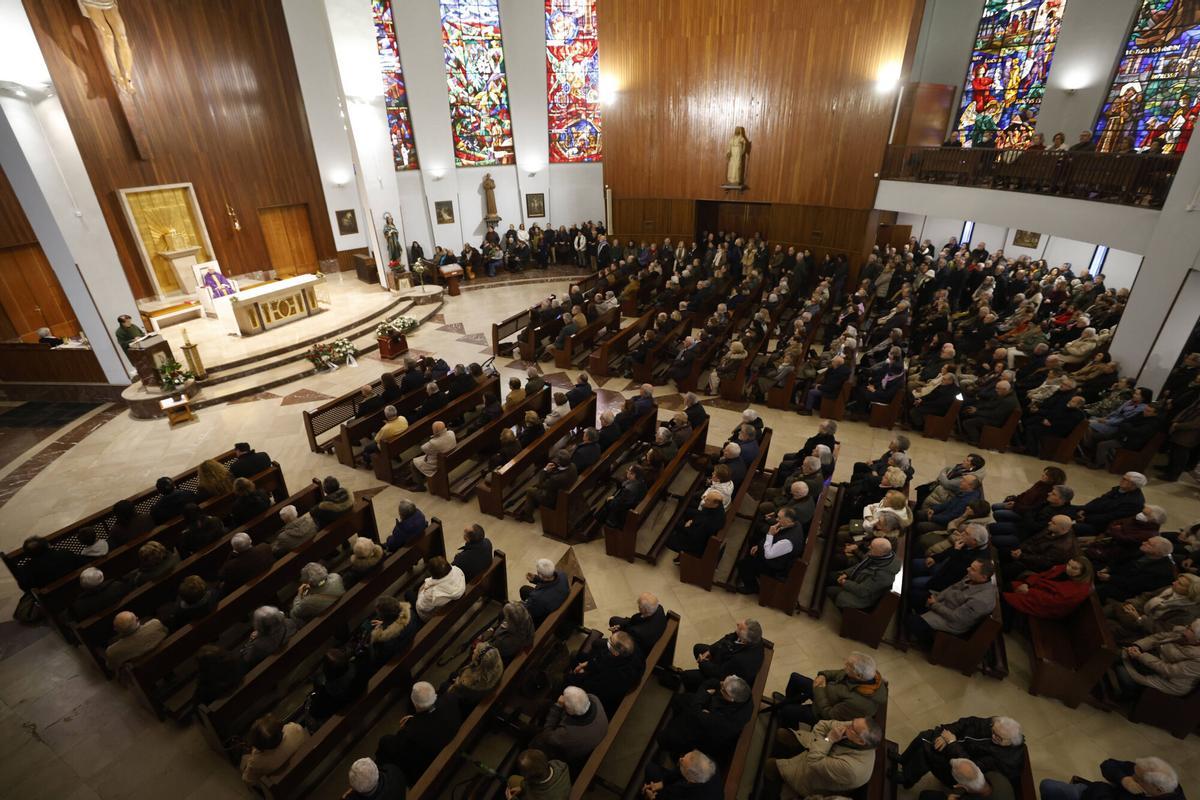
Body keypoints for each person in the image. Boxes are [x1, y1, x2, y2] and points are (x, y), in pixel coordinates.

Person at [891, 716, 1025, 790]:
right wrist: (946, 734)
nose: (993, 736)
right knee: (925, 735)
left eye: (999, 738)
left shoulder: (1003, 759)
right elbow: (968, 722)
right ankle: (904, 759)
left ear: (1010, 742)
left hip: (963, 776)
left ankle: (907, 779)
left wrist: (952, 743)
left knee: (927, 753)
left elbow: (972, 769)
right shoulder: (996, 725)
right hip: (956, 746)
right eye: (993, 732)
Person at [765, 717, 882, 800]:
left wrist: (829, 739)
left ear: (860, 741)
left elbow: (813, 762)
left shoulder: (852, 769)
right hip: (819, 750)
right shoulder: (855, 728)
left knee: (769, 766)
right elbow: (824, 724)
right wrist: (821, 743)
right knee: (781, 734)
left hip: (811, 779)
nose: (847, 725)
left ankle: (769, 790)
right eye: (852, 722)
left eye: (852, 727)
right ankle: (785, 756)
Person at [376, 682, 462, 786]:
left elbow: (403, 745)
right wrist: (414, 720)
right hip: (448, 734)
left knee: (385, 741)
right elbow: (431, 718)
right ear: (435, 694)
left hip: (429, 758)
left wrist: (409, 725)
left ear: (415, 704)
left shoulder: (411, 732)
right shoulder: (450, 699)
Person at [906, 560, 997, 646]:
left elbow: (956, 618)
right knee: (913, 594)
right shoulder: (971, 577)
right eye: (970, 566)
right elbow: (952, 588)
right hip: (943, 603)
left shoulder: (981, 600)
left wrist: (934, 605)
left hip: (950, 622)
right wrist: (937, 599)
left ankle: (931, 644)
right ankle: (921, 615)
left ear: (983, 577)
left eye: (973, 569)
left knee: (910, 621)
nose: (968, 569)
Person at [658, 675, 752, 759]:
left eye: (723, 689)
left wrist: (705, 694)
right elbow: (711, 682)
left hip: (708, 737)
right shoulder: (745, 696)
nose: (720, 684)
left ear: (731, 699)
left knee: (670, 736)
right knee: (682, 700)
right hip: (707, 715)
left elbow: (696, 712)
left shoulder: (724, 720)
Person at [1115, 618, 1200, 699]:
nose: (1185, 630)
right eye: (1189, 626)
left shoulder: (1197, 661)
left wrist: (1140, 656)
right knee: (1118, 655)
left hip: (1167, 680)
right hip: (1152, 660)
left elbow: (1168, 670)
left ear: (1198, 641)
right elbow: (1157, 637)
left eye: (1191, 630)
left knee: (1121, 671)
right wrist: (1138, 646)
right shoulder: (1182, 632)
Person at [1103, 574, 1200, 644]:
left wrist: (1139, 619)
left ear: (1189, 591)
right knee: (1112, 608)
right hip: (1139, 613)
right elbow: (1146, 596)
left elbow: (1163, 630)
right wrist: (1131, 604)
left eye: (1180, 583)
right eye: (1177, 580)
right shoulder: (1170, 589)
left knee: (1110, 626)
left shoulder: (1187, 613)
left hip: (1145, 629)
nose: (1174, 582)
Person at [565, 631, 644, 716]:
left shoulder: (614, 676)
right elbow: (604, 660)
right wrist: (588, 664)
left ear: (615, 653)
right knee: (578, 655)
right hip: (604, 670)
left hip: (603, 693)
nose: (607, 641)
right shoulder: (634, 651)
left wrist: (580, 675)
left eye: (610, 642)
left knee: (567, 679)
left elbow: (591, 686)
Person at [531, 686, 609, 766]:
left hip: (572, 753)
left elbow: (547, 734)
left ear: (569, 711)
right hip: (596, 732)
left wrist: (557, 707)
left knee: (537, 739)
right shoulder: (594, 699)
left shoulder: (566, 734)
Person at [1039, 757, 1182, 800]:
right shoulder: (1144, 771)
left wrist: (1102, 789)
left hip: (1099, 794)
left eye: (1138, 779)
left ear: (1158, 789)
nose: (1133, 777)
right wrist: (1123, 779)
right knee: (1048, 786)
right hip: (1091, 793)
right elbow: (1107, 765)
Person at [681, 618, 765, 691]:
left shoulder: (740, 660)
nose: (737, 623)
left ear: (744, 641)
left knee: (687, 676)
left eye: (739, 628)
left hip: (725, 680)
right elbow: (728, 638)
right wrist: (710, 650)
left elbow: (719, 674)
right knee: (698, 648)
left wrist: (702, 662)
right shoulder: (753, 639)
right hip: (726, 660)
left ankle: (695, 690)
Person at [735, 506, 805, 594]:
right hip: (776, 556)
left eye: (779, 518)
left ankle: (752, 587)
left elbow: (768, 555)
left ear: (788, 521)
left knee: (743, 564)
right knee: (753, 542)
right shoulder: (794, 523)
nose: (776, 519)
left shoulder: (787, 542)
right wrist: (759, 546)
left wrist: (770, 534)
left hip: (776, 567)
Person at [1003, 557, 1094, 621]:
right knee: (1010, 585)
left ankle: (1003, 625)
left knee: (1006, 599)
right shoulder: (1064, 569)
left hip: (1045, 606)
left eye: (1074, 568)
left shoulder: (1077, 590)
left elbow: (1052, 601)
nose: (1068, 568)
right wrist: (1027, 583)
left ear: (1082, 573)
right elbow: (1042, 574)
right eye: (1069, 564)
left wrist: (1029, 591)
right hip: (1036, 589)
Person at [1096, 536, 1177, 603]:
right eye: (1147, 541)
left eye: (1149, 544)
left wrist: (1110, 578)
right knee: (1093, 569)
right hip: (1121, 575)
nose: (1143, 543)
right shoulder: (1143, 550)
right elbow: (1121, 559)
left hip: (1129, 590)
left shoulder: (1161, 571)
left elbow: (1134, 585)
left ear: (1158, 552)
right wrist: (1108, 568)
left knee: (1101, 590)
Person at [827, 538, 900, 610]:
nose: (868, 548)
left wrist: (844, 582)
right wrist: (846, 573)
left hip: (860, 598)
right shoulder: (877, 556)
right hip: (856, 579)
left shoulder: (883, 575)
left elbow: (862, 591)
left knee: (829, 590)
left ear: (880, 553)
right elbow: (859, 566)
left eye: (871, 548)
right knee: (830, 576)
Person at [240, 713, 309, 788]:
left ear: (259, 747)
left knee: (244, 760)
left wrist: (254, 753)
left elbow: (247, 780)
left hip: (281, 781)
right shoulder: (295, 729)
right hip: (302, 765)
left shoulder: (257, 761)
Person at [1075, 472, 1148, 537]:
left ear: (1134, 485)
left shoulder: (1134, 502)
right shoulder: (1119, 488)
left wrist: (1086, 519)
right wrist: (1084, 509)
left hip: (1101, 525)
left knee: (1072, 527)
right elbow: (1100, 500)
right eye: (1123, 478)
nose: (1121, 480)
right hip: (1094, 513)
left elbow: (1111, 517)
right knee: (1068, 509)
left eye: (1125, 480)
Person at [641, 750, 722, 800]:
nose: (680, 759)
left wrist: (652, 798)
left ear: (690, 780)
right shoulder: (710, 764)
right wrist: (662, 783)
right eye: (684, 757)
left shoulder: (681, 793)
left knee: (650, 769)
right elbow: (684, 770)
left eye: (682, 763)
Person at [17, 535, 90, 589]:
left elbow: (25, 587)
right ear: (48, 545)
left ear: (28, 555)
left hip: (53, 599)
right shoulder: (64, 553)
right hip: (79, 586)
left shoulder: (27, 569)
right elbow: (84, 564)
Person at [448, 640, 504, 709]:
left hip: (463, 700)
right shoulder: (496, 664)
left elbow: (454, 691)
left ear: (477, 662)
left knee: (445, 684)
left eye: (475, 651)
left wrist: (457, 681)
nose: (474, 650)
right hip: (475, 693)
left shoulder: (470, 682)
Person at [407, 421, 457, 491]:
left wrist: (434, 437)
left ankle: (420, 486)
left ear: (435, 431)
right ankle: (421, 475)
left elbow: (423, 448)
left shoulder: (433, 442)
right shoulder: (451, 433)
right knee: (426, 457)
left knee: (412, 463)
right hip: (451, 458)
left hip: (438, 464)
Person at [414, 556, 466, 622]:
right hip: (451, 603)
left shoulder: (432, 594)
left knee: (409, 593)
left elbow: (421, 607)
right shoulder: (458, 570)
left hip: (433, 617)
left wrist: (422, 589)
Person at [521, 558, 569, 625]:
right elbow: (551, 582)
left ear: (541, 575)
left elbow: (530, 611)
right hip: (556, 600)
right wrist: (536, 579)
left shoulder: (537, 597)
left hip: (544, 616)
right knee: (524, 589)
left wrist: (523, 604)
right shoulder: (562, 575)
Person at [507, 749, 571, 800]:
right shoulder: (560, 765)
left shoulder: (535, 796)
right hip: (561, 791)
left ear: (530, 779)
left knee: (512, 779)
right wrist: (523, 787)